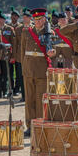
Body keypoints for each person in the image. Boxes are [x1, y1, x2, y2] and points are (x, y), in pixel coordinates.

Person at [21, 8, 56, 136]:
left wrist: (53, 53)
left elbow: (54, 50)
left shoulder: (50, 33)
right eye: (35, 19)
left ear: (45, 19)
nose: (37, 21)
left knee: (40, 99)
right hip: (29, 69)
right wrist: (23, 67)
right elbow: (22, 52)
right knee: (29, 99)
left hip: (42, 70)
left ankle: (39, 124)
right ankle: (29, 125)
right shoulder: (26, 32)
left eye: (40, 19)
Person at [0, 11, 16, 99]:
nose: (0, 21)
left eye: (2, 19)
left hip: (7, 56)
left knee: (7, 75)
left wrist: (13, 56)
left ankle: (6, 91)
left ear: (5, 20)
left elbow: (13, 43)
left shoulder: (9, 29)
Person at [14, 7, 31, 102]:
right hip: (21, 56)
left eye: (27, 17)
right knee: (21, 76)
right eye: (24, 17)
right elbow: (15, 43)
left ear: (30, 18)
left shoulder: (34, 28)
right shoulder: (18, 29)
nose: (25, 19)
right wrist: (15, 56)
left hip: (31, 56)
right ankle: (24, 95)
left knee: (30, 76)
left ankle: (30, 95)